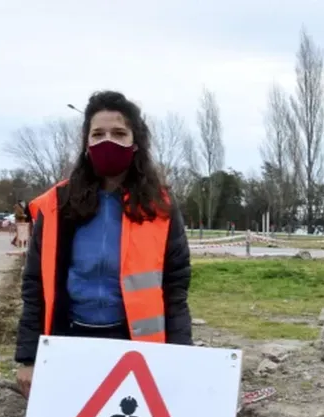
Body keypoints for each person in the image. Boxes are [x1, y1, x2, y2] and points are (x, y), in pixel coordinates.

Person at [14, 90, 193, 397]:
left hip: (136, 348)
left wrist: (180, 355)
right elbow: (35, 286)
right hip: (68, 342)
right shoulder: (58, 205)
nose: (107, 141)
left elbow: (175, 289)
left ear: (135, 143)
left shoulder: (160, 208)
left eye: (119, 133)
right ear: (86, 143)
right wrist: (28, 357)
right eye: (97, 134)